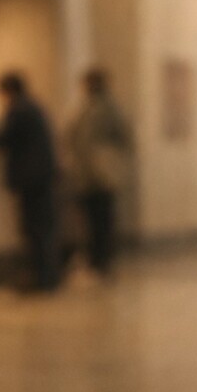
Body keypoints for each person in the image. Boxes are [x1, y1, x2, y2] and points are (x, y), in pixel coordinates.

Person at [0, 72, 61, 292]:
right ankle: (46, 276)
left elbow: (1, 139)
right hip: (40, 177)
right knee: (41, 228)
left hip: (31, 179)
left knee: (35, 229)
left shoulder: (19, 110)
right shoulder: (31, 106)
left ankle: (41, 277)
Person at [63, 68, 132, 277]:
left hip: (100, 176)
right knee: (90, 220)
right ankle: (94, 259)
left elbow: (124, 138)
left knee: (102, 220)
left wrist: (107, 157)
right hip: (85, 176)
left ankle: (102, 260)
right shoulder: (84, 107)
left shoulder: (109, 108)